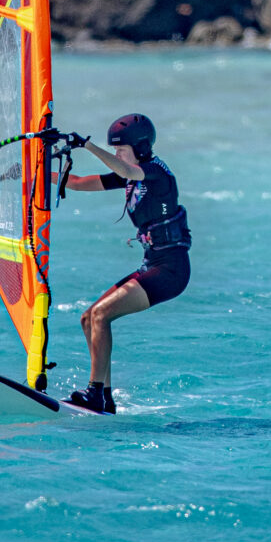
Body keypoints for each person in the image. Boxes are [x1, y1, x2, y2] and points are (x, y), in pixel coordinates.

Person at [59, 113, 191, 414]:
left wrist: (89, 146)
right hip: (152, 264)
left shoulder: (155, 173)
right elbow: (78, 183)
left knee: (101, 315)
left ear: (140, 149)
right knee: (88, 318)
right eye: (115, 150)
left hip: (171, 270)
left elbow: (127, 170)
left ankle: (94, 392)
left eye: (121, 149)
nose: (117, 154)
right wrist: (34, 174)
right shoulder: (130, 175)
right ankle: (105, 397)